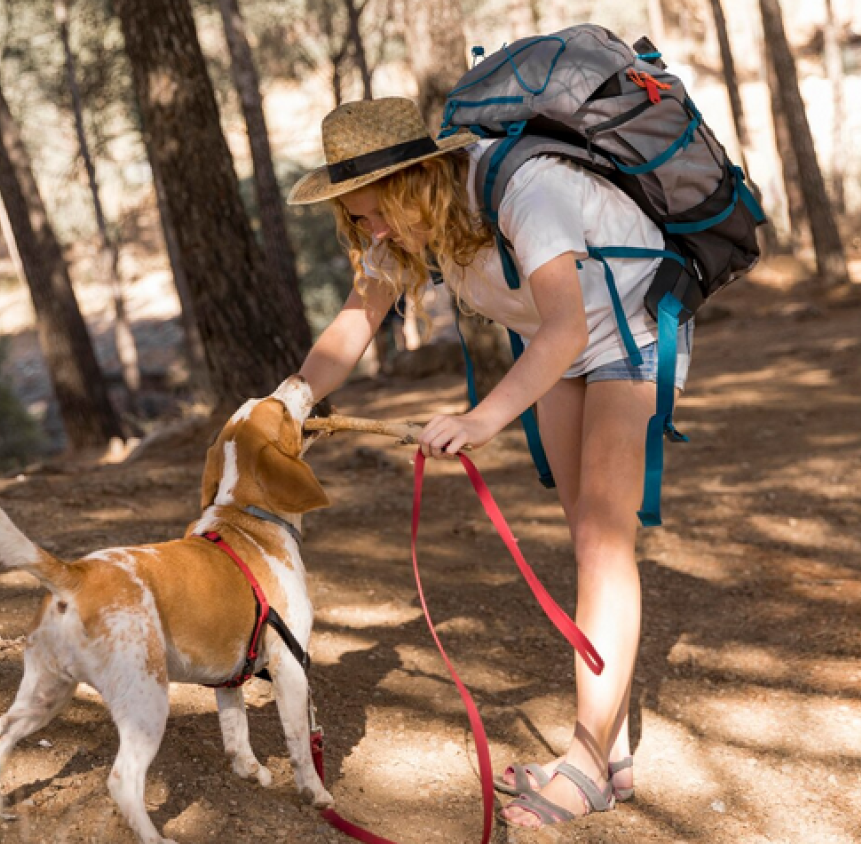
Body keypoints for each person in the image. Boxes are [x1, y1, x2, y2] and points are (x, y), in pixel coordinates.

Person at [286, 97, 693, 830]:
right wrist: (289, 399)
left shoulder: (527, 192)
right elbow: (354, 321)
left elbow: (569, 325)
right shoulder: (408, 229)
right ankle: (614, 746)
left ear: (413, 184)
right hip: (563, 346)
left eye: (370, 212)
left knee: (605, 542)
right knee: (587, 541)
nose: (367, 230)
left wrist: (481, 420)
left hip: (627, 328)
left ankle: (587, 764)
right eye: (353, 220)